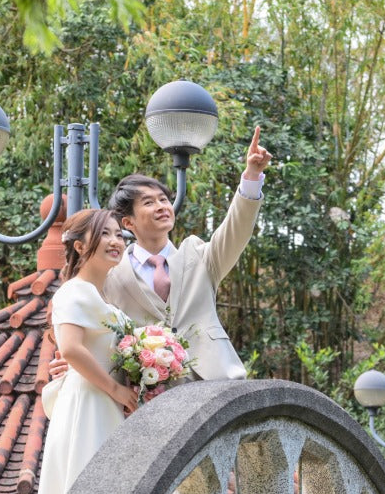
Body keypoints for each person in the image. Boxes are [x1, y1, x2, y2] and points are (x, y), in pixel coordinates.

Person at [44, 127, 273, 397]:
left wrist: (252, 176)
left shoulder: (199, 256)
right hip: (152, 395)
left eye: (164, 199)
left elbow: (237, 229)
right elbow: (94, 332)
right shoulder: (111, 274)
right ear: (128, 222)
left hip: (217, 381)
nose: (162, 206)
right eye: (149, 202)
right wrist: (71, 366)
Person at [30, 208, 137, 494]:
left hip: (106, 404)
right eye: (104, 233)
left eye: (119, 234)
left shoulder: (103, 298)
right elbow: (71, 349)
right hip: (89, 403)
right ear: (79, 246)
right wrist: (117, 391)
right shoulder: (73, 291)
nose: (115, 241)